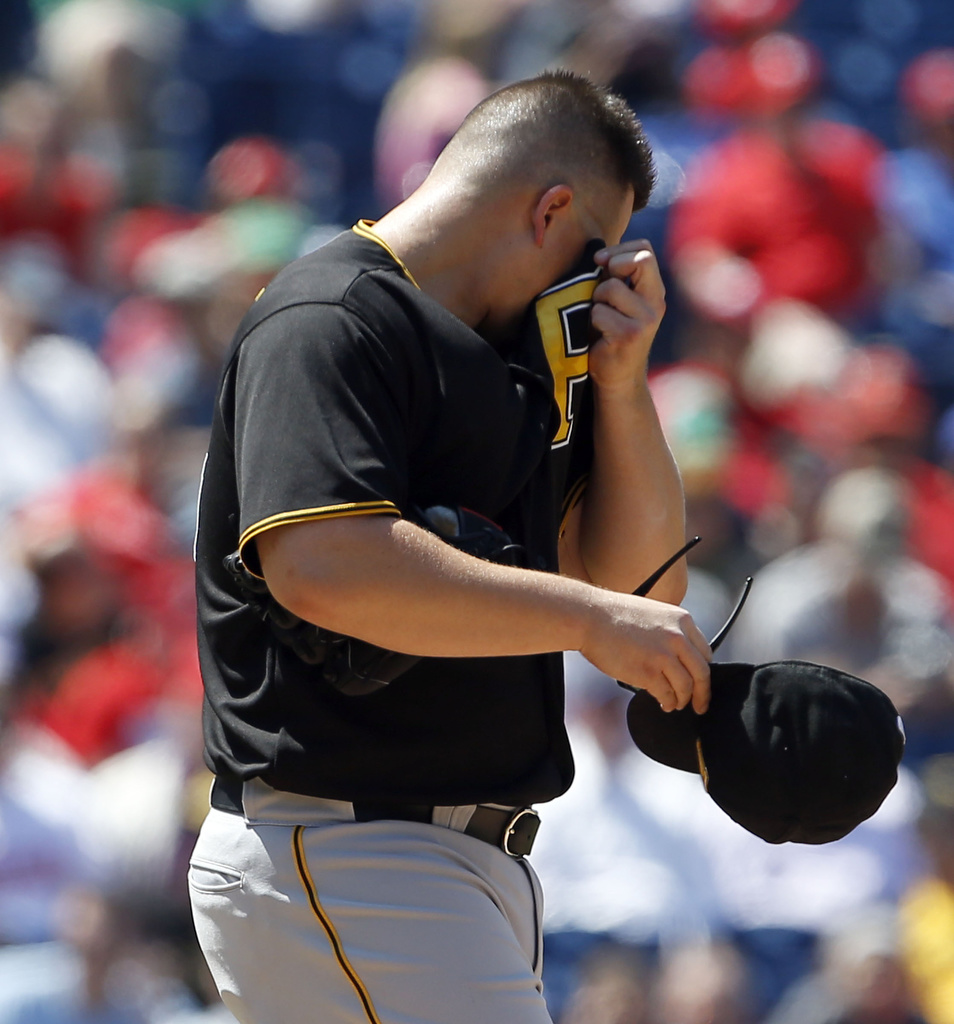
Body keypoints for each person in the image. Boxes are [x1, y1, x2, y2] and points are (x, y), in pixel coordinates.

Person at [188, 70, 712, 1024]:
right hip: (350, 846)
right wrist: (590, 619)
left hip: (445, 865)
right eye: (596, 247)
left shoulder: (515, 357)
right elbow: (323, 566)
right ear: (551, 208)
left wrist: (626, 383)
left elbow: (639, 580)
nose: (602, 274)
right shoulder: (331, 316)